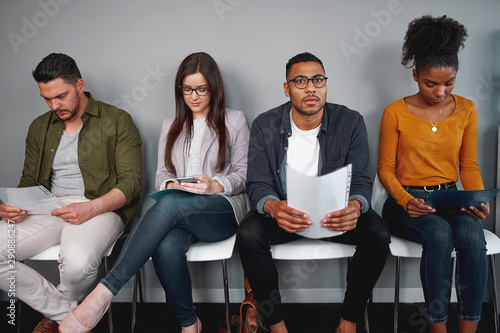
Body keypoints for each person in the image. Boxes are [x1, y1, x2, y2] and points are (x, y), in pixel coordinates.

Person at [59, 52, 250, 333]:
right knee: (165, 245)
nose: (193, 96)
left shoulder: (234, 120)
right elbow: (162, 174)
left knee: (171, 204)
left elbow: (244, 175)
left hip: (220, 210)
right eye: (187, 89)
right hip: (179, 211)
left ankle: (103, 292)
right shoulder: (170, 125)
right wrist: (170, 185)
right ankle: (189, 324)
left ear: (214, 88)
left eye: (201, 89)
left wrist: (214, 185)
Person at [237, 52, 390, 333]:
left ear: (325, 84)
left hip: (335, 216)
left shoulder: (350, 121)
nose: (311, 88)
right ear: (287, 88)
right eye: (300, 81)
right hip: (286, 215)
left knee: (378, 233)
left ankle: (348, 321)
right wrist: (274, 207)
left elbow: (361, 181)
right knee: (248, 234)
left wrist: (356, 206)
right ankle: (277, 325)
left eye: (318, 79)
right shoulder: (265, 125)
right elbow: (257, 183)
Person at [0, 53, 142, 333]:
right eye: (46, 98)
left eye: (61, 96)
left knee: (77, 264)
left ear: (79, 84)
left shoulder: (117, 120)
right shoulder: (39, 127)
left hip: (99, 208)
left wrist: (90, 208)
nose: (55, 105)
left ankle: (58, 318)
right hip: (48, 209)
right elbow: (29, 181)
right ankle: (70, 316)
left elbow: (132, 183)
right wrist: (12, 206)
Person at [377, 15, 489, 333]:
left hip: (450, 195)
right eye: (431, 83)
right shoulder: (394, 112)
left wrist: (477, 198)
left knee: (471, 234)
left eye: (449, 83)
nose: (440, 91)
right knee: (438, 234)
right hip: (405, 199)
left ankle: (470, 329)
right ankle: (437, 327)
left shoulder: (466, 109)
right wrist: (405, 199)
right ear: (415, 75)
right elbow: (384, 169)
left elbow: (468, 165)